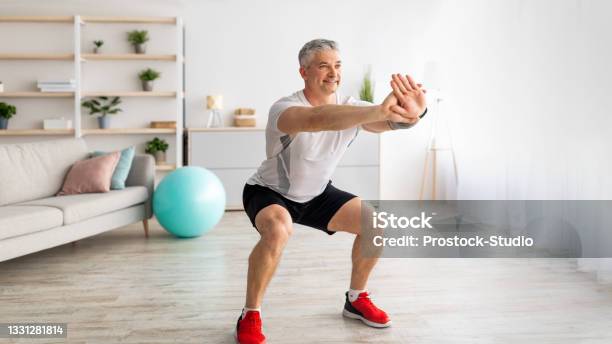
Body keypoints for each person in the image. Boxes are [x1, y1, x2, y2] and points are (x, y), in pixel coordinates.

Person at [236, 38, 427, 344]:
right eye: (323, 65)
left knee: (375, 224)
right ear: (304, 72)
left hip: (316, 194)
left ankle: (356, 298)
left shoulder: (355, 108)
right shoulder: (284, 108)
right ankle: (250, 313)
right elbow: (319, 119)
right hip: (269, 192)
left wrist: (415, 114)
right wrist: (379, 111)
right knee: (277, 230)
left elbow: (392, 123)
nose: (333, 73)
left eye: (337, 65)